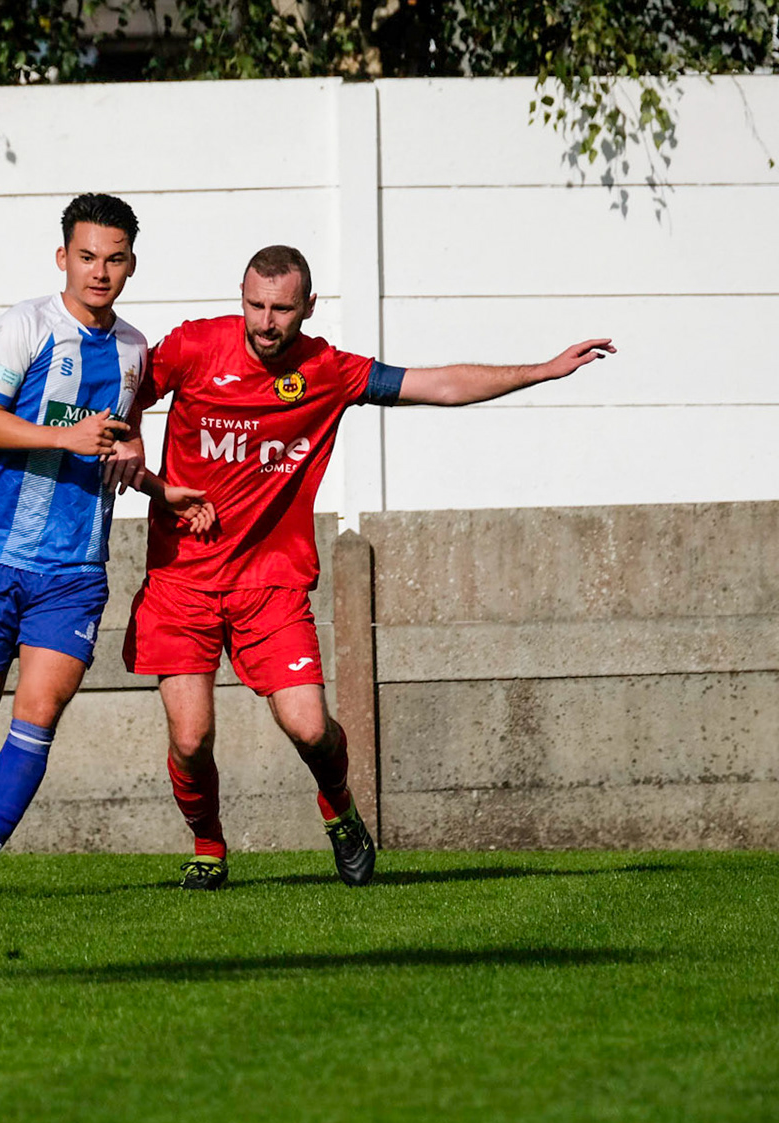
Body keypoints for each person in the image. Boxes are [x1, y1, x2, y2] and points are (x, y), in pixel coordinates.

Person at [128, 244, 614, 890]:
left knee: (310, 729)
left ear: (308, 307)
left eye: (281, 309)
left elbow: (437, 385)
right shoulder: (194, 347)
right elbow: (120, 403)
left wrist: (543, 371)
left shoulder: (326, 371)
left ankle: (340, 809)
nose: (265, 323)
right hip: (181, 579)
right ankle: (209, 847)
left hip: (271, 583)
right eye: (255, 305)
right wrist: (156, 484)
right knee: (190, 740)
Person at [0, 192, 212, 896]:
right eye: (87, 257)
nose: (99, 272)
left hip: (75, 570)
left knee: (39, 715)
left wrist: (157, 487)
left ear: (131, 265)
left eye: (114, 259)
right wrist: (65, 436)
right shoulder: (22, 327)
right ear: (63, 257)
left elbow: (115, 446)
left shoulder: (134, 350)